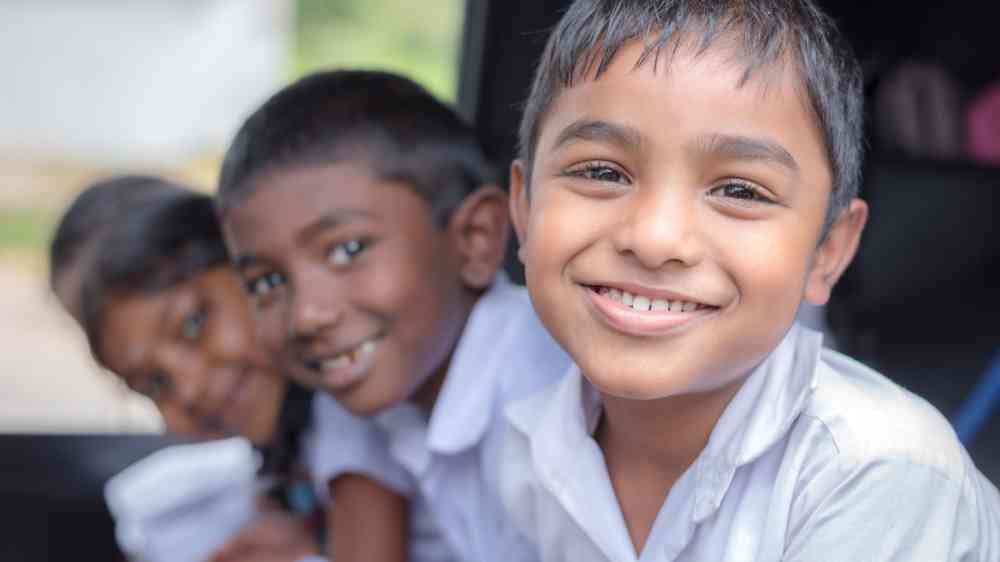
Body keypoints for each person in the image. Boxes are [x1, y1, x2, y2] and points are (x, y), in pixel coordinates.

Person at [501, 1, 1000, 561]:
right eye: (601, 172)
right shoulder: (528, 449)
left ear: (827, 253)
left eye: (739, 191)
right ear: (523, 209)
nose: (655, 239)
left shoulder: (876, 473)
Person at [216, 69, 572, 562]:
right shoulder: (398, 391)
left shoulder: (543, 408)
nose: (306, 316)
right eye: (267, 283)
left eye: (347, 250)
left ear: (476, 238)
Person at [51, 177, 406, 562]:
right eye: (155, 383)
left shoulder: (348, 416)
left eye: (193, 324)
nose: (188, 389)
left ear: (255, 270)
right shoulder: (294, 437)